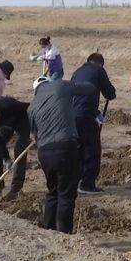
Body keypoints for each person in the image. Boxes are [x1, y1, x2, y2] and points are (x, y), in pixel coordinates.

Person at [28, 76, 96, 233]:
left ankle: (48, 230)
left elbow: (35, 136)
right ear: (48, 82)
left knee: (53, 192)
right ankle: (64, 235)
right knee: (66, 193)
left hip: (44, 152)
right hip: (65, 147)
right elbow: (88, 87)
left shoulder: (31, 107)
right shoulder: (59, 86)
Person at [71, 53, 117, 194]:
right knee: (92, 149)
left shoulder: (77, 71)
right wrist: (112, 91)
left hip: (71, 115)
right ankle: (87, 184)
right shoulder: (98, 70)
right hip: (86, 115)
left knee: (78, 149)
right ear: (100, 63)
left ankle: (75, 181)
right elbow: (109, 93)